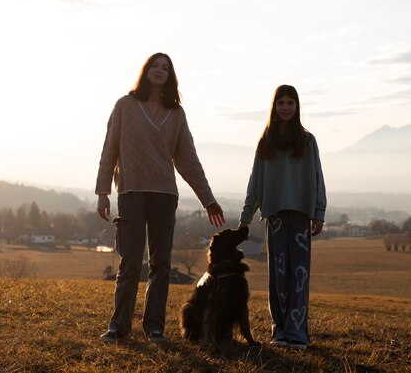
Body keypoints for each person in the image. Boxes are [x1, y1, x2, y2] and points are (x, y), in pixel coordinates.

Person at [95, 52, 225, 343]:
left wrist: (208, 199)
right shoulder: (125, 106)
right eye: (155, 65)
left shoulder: (176, 114)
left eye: (165, 67)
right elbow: (109, 150)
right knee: (129, 262)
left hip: (165, 195)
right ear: (146, 70)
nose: (159, 70)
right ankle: (119, 327)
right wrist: (103, 192)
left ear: (170, 75)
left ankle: (155, 327)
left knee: (161, 265)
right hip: (130, 193)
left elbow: (188, 161)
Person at [238, 84, 326, 350]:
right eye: (281, 103)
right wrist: (245, 214)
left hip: (300, 215)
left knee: (299, 276)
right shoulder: (265, 140)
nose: (286, 107)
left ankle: (297, 333)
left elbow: (317, 177)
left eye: (291, 102)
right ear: (274, 107)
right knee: (277, 277)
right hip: (274, 216)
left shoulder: (308, 140)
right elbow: (255, 180)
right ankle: (279, 332)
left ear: (297, 106)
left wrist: (318, 212)